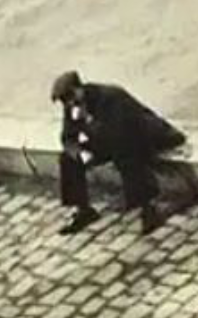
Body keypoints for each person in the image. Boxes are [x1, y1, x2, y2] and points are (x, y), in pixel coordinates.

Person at [51, 70, 187, 236]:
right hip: (108, 139)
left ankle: (147, 208)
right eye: (64, 100)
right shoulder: (73, 107)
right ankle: (83, 210)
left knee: (125, 153)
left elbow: (120, 133)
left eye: (70, 96)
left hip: (141, 133)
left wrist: (88, 121)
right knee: (67, 159)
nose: (69, 102)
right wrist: (78, 152)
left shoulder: (110, 97)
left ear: (80, 88)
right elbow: (67, 137)